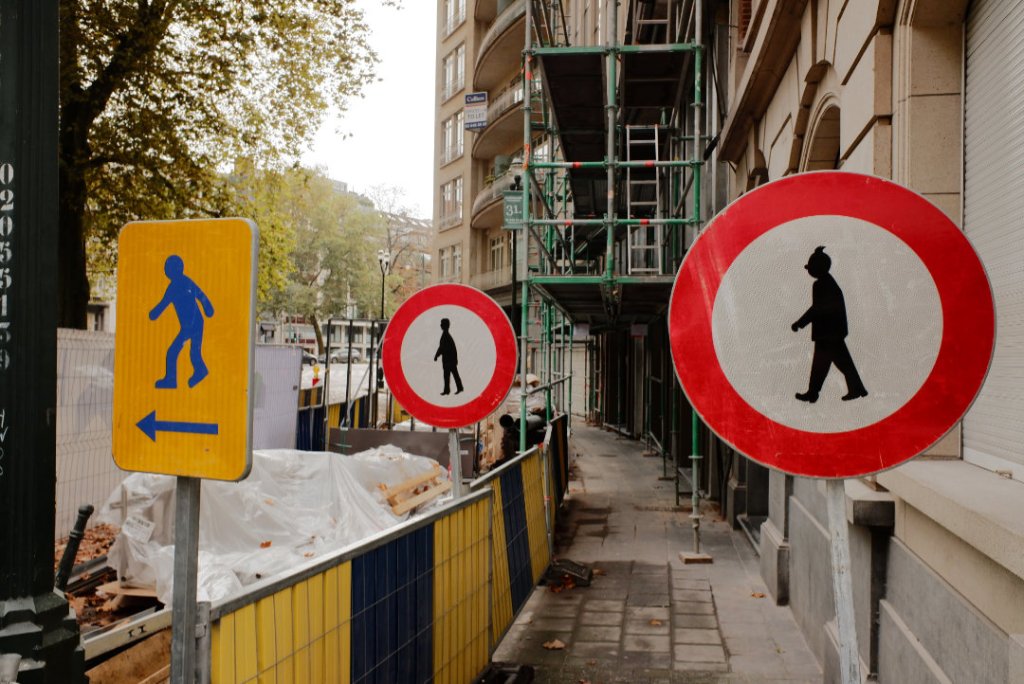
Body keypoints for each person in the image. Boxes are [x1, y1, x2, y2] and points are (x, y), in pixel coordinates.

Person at [791, 246, 868, 403]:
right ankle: (816, 393)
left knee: (832, 364)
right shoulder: (828, 282)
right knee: (824, 365)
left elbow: (817, 308)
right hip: (831, 332)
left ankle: (853, 389)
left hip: (828, 333)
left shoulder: (821, 285)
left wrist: (800, 323)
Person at [150, 254, 214, 389]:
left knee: (172, 352)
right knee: (194, 352)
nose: (165, 270)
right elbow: (201, 295)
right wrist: (208, 309)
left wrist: (154, 314)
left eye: (167, 268)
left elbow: (163, 304)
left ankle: (171, 380)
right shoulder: (183, 283)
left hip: (190, 325)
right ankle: (200, 370)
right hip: (196, 323)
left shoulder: (176, 286)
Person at [433, 318, 464, 395]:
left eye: (442, 324)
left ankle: (456, 389)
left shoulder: (446, 336)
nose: (440, 325)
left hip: (449, 361)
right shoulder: (446, 335)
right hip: (449, 360)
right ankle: (449, 390)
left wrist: (436, 355)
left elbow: (441, 348)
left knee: (451, 375)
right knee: (448, 375)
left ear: (445, 326)